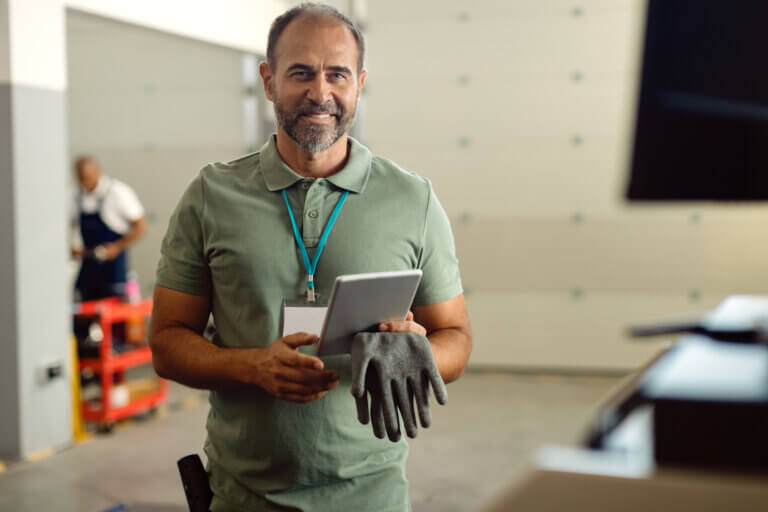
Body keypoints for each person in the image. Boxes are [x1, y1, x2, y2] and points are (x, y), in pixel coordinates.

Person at [149, 4, 472, 511]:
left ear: (359, 84)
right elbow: (167, 343)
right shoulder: (212, 195)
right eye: (300, 72)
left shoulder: (412, 199)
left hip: (372, 499)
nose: (320, 93)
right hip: (242, 498)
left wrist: (419, 351)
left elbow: (455, 335)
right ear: (269, 80)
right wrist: (253, 366)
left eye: (337, 74)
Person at [72, 155, 147, 301]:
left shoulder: (117, 192)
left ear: (98, 172)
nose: (85, 183)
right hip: (88, 267)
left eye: (88, 177)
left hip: (114, 270)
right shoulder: (74, 196)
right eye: (81, 179)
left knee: (114, 317)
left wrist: (116, 247)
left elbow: (141, 227)